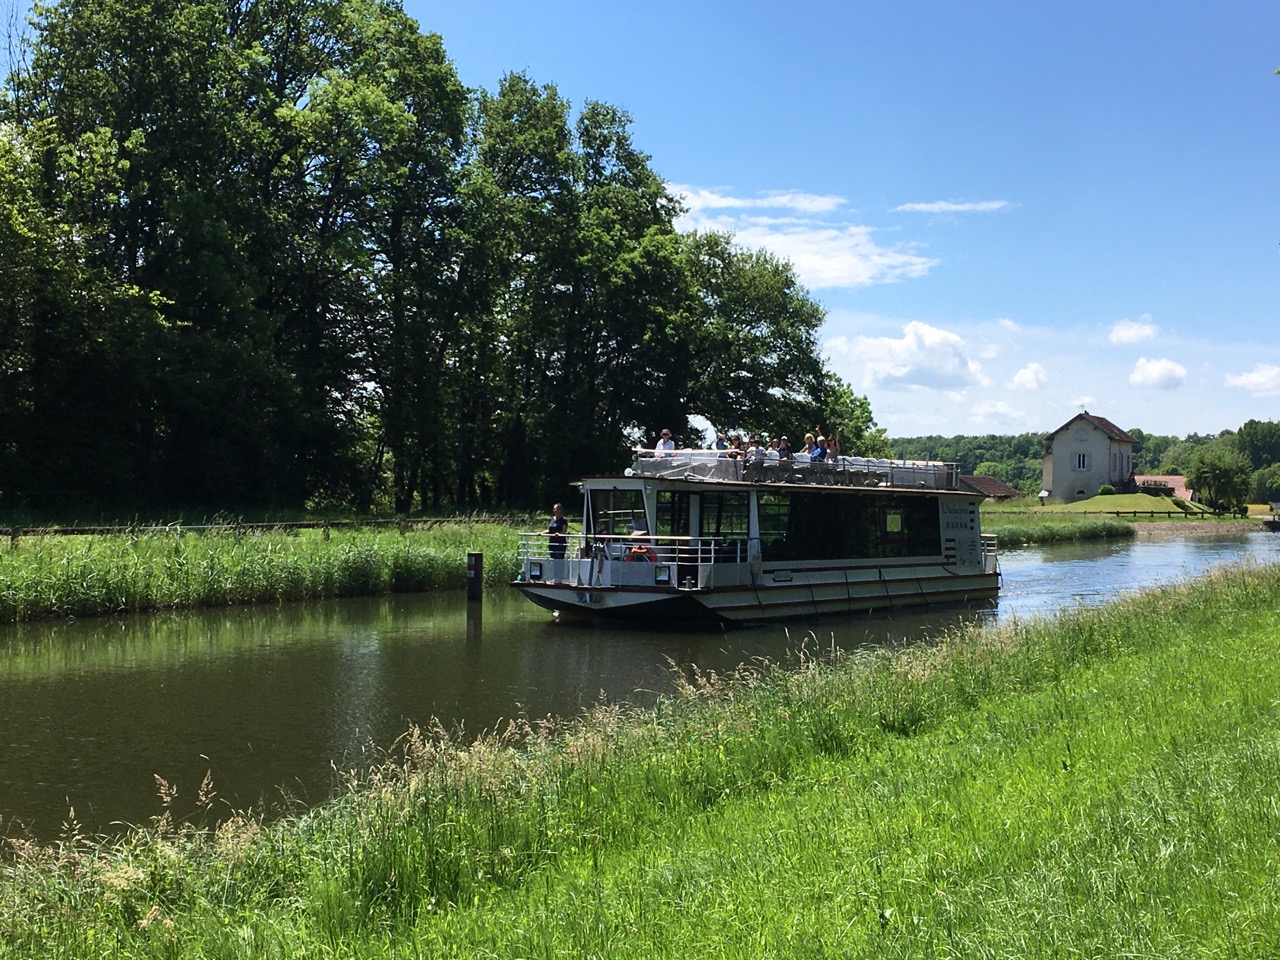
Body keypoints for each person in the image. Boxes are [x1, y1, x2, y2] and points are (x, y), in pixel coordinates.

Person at [546, 503, 569, 580]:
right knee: (553, 559)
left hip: (560, 543)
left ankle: (560, 577)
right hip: (552, 542)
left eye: (557, 509)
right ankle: (555, 577)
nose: (555, 510)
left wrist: (558, 534)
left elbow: (564, 531)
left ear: (560, 510)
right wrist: (540, 533)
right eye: (554, 509)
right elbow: (549, 530)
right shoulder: (552, 519)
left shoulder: (563, 520)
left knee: (559, 559)